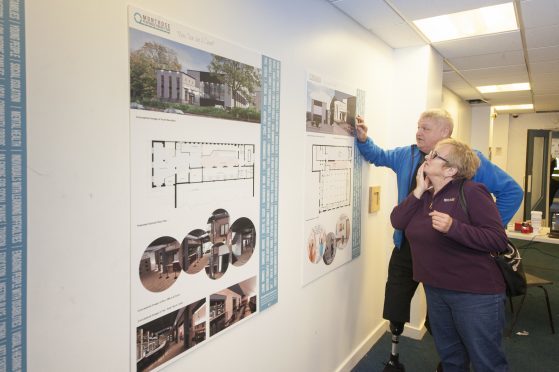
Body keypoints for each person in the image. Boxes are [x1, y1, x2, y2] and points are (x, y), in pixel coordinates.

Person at [354, 109, 523, 370]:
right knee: (446, 344)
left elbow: (504, 211)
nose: (419, 133)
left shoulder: (470, 176)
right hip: (426, 263)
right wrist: (364, 140)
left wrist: (477, 230)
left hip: (466, 275)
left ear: (445, 133)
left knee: (482, 353)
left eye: (426, 128)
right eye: (418, 127)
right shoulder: (416, 170)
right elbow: (397, 215)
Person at [390, 138, 509, 371]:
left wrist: (454, 227)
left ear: (451, 170)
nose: (427, 157)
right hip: (436, 290)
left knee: (487, 361)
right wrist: (417, 191)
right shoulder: (424, 195)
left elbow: (497, 239)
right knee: (450, 357)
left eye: (435, 155)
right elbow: (397, 221)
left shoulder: (473, 192)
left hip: (475, 294)